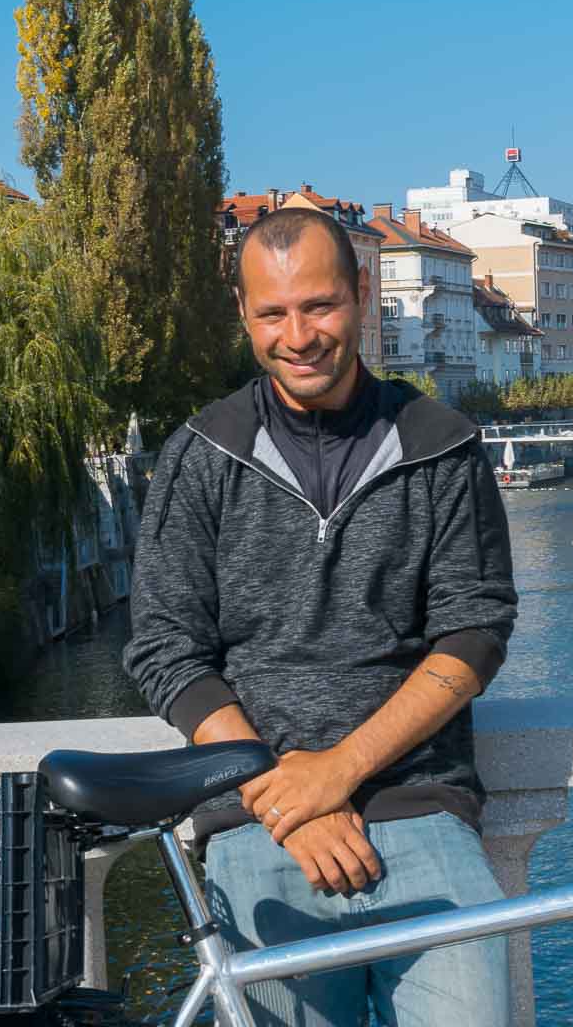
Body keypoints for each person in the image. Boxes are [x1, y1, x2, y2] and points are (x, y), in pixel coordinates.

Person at [124, 207, 519, 1027]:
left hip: (422, 815)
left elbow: (474, 634)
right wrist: (284, 794)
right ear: (244, 314)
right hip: (257, 831)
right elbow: (166, 649)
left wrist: (337, 771)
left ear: (363, 297)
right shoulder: (202, 454)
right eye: (273, 313)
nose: (298, 335)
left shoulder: (440, 444)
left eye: (319, 306)